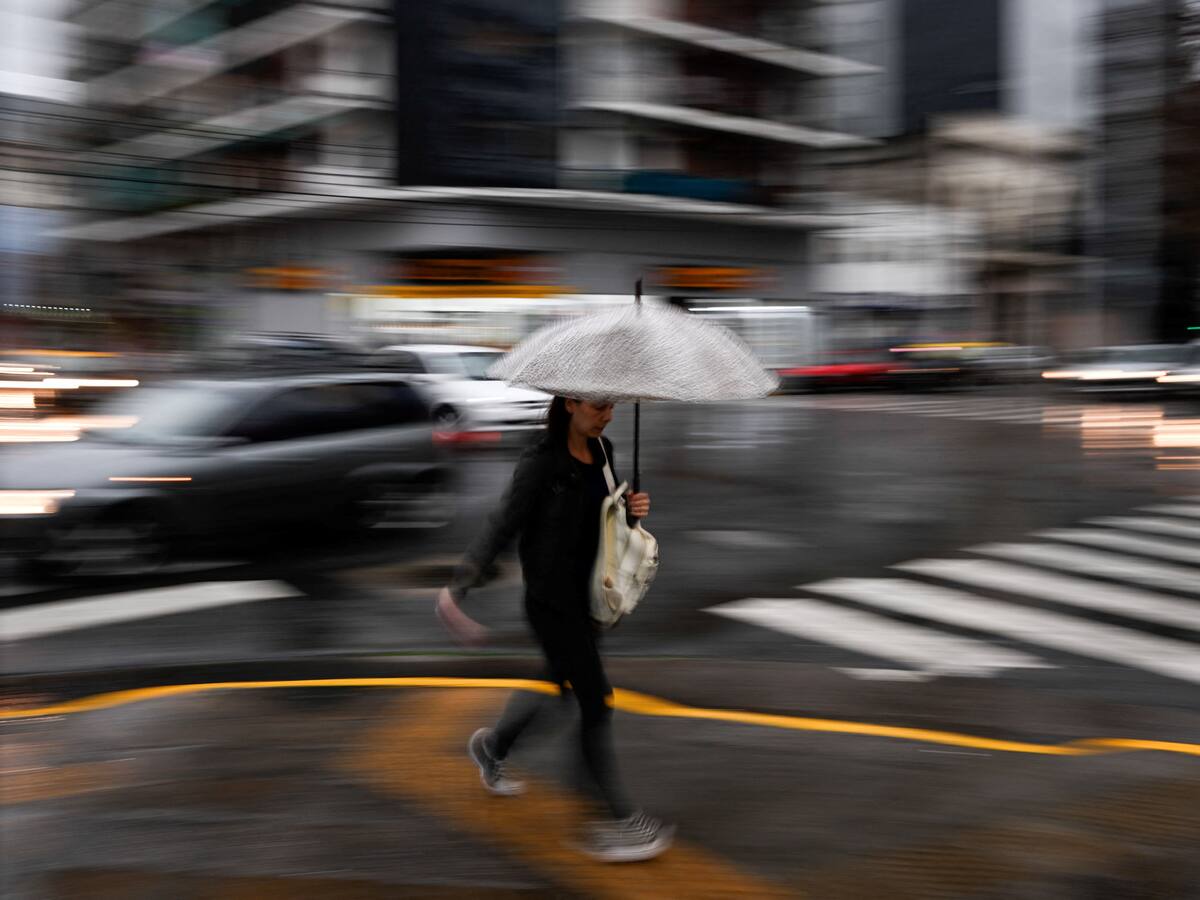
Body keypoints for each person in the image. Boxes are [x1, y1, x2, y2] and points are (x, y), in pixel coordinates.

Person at [436, 396, 674, 862]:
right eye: (600, 406)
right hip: (550, 603)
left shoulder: (603, 451)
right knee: (595, 702)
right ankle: (616, 819)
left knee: (559, 685)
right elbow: (503, 525)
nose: (608, 415)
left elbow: (606, 520)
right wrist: (461, 586)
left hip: (589, 597)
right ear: (570, 403)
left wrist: (632, 510)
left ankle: (493, 746)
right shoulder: (541, 463)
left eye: (611, 407)